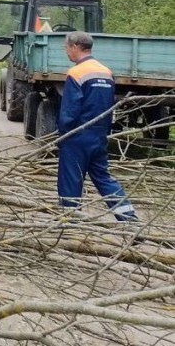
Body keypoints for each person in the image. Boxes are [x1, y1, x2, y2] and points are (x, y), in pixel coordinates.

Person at [57, 31, 138, 222]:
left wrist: (62, 135)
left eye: (67, 48)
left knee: (71, 180)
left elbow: (69, 110)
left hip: (77, 135)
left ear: (76, 47)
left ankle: (70, 221)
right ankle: (128, 217)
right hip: (99, 135)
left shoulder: (76, 73)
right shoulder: (106, 72)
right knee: (103, 178)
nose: (66, 52)